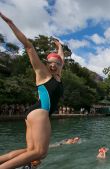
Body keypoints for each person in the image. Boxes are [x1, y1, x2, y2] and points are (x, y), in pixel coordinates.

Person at [0, 12, 64, 169]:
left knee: (32, 152)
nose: (53, 65)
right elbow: (29, 46)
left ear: (61, 64)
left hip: (34, 114)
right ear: (46, 63)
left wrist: (60, 47)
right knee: (39, 152)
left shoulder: (58, 75)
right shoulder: (43, 73)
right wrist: (10, 23)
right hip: (40, 112)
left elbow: (60, 58)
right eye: (50, 62)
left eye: (56, 63)